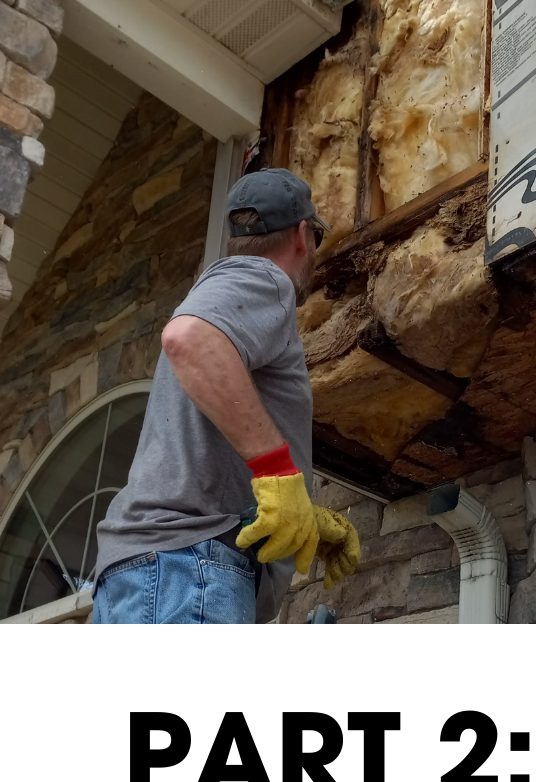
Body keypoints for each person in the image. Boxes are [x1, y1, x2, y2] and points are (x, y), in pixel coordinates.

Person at [90, 168, 361, 623]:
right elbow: (188, 338)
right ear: (301, 235)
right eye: (315, 236)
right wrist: (278, 473)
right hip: (186, 568)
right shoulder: (264, 281)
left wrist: (302, 514)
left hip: (150, 572)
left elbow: (202, 454)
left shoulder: (224, 293)